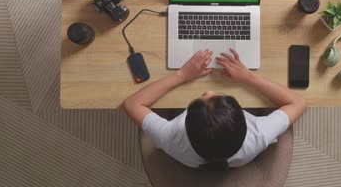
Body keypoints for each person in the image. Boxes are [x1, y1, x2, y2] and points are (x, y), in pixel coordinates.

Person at [123, 48, 306, 170]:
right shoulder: (258, 135)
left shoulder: (171, 138)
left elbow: (132, 104)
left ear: (186, 125)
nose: (208, 90)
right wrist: (249, 76)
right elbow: (298, 103)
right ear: (242, 119)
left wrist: (182, 75)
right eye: (217, 95)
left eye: (202, 97)